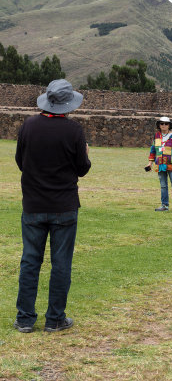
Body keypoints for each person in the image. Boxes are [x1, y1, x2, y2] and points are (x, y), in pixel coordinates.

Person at [14, 79, 91, 333]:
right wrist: (86, 155)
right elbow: (82, 168)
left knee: (30, 261)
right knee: (60, 263)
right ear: (68, 104)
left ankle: (25, 319)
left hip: (34, 204)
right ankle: (55, 318)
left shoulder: (28, 126)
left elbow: (21, 161)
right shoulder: (73, 131)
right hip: (64, 206)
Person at [147, 116, 172, 213]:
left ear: (169, 125)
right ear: (159, 125)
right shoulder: (156, 136)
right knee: (163, 185)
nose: (163, 125)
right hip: (160, 164)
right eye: (162, 123)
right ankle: (164, 205)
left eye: (166, 124)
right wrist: (150, 163)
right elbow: (153, 150)